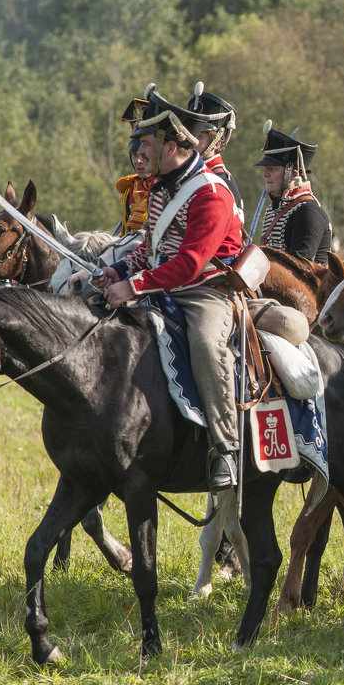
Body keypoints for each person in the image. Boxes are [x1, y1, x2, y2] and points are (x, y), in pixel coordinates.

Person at [92, 84, 243, 491]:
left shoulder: (212, 193)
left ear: (172, 145)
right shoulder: (162, 187)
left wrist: (133, 286)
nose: (138, 156)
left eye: (145, 146)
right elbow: (151, 248)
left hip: (205, 291)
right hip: (161, 285)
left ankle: (226, 447)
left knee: (207, 344)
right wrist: (119, 271)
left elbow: (191, 263)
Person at [255, 123, 333, 265]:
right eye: (265, 168)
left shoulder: (308, 211)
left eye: (272, 169)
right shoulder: (273, 210)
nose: (265, 174)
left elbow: (299, 270)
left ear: (293, 174)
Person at [186, 83, 243, 217]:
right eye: (190, 134)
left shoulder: (221, 180)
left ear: (217, 143)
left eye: (198, 136)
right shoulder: (191, 174)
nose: (191, 140)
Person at [116, 97, 157, 235]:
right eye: (134, 155)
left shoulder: (167, 186)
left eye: (144, 156)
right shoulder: (130, 187)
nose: (138, 161)